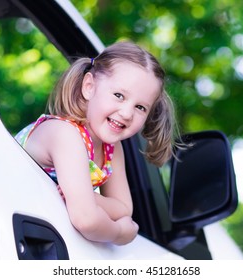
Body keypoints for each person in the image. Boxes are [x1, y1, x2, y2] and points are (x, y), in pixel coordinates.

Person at [15, 41, 177, 245]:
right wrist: (120, 233)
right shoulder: (65, 134)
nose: (127, 113)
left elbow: (125, 208)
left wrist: (91, 199)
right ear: (89, 87)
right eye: (119, 95)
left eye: (140, 107)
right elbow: (87, 220)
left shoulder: (112, 148)